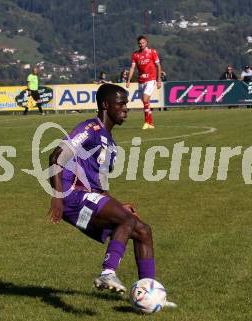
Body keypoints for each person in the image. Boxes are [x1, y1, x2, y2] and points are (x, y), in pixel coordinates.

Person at [47, 84, 176, 308]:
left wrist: (117, 204)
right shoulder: (90, 128)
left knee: (143, 230)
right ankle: (107, 273)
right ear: (106, 105)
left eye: (126, 103)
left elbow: (99, 187)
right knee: (126, 220)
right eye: (121, 103)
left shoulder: (111, 145)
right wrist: (57, 196)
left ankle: (151, 294)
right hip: (72, 196)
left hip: (87, 197)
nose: (126, 108)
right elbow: (56, 156)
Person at [127, 35, 162, 130]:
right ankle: (150, 123)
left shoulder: (152, 52)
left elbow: (158, 66)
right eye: (139, 43)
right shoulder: (135, 55)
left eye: (143, 43)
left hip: (151, 79)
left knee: (145, 99)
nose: (141, 44)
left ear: (146, 43)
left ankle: (146, 122)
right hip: (141, 80)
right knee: (145, 102)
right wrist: (129, 80)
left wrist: (158, 80)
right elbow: (132, 68)